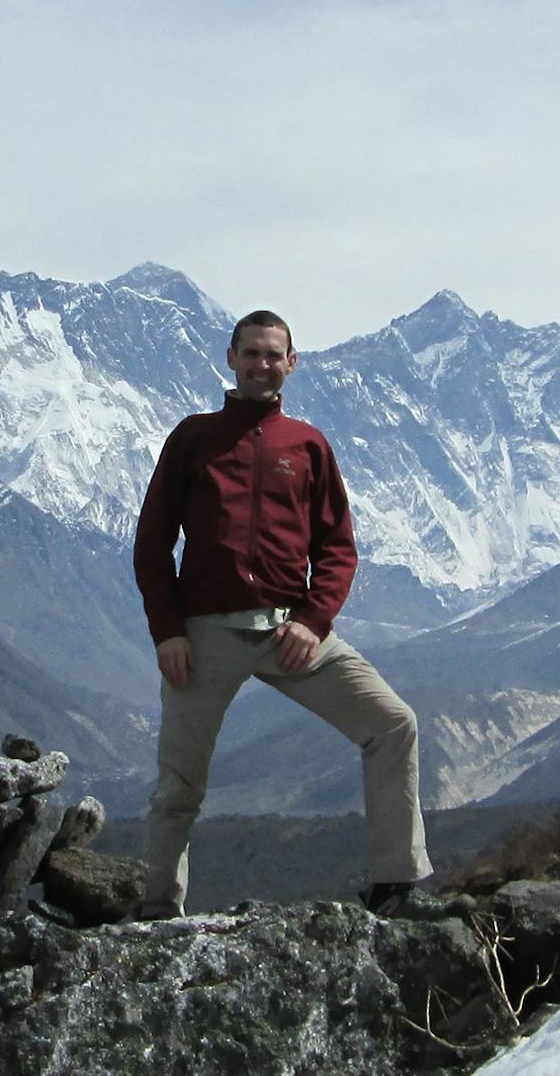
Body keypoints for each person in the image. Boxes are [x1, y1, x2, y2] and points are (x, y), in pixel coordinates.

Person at [132, 308, 433, 919]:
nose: (262, 365)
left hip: (291, 632)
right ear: (230, 359)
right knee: (177, 789)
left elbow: (338, 549)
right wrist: (168, 631)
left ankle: (394, 885)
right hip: (204, 636)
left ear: (291, 365)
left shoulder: (309, 447)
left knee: (393, 723)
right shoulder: (193, 438)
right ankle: (157, 911)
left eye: (274, 355)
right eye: (252, 354)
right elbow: (152, 543)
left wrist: (313, 620)